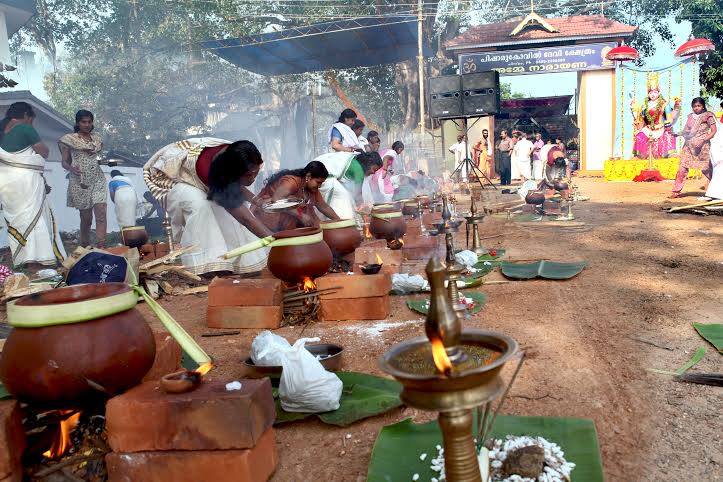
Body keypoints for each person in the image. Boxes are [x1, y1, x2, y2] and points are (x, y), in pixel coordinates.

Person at [144, 138, 271, 275]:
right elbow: (246, 219)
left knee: (230, 209)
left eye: (256, 172)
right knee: (201, 206)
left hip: (213, 173)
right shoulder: (212, 171)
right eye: (249, 175)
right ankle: (206, 265)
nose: (253, 179)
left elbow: (236, 184)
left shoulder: (239, 155)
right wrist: (274, 239)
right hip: (168, 174)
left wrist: (256, 200)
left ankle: (238, 262)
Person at [0, 102, 65, 268]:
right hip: (26, 182)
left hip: (6, 184)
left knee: (19, 221)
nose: (31, 123)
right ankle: (39, 260)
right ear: (27, 116)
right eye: (32, 120)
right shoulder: (24, 128)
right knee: (35, 219)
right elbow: (44, 151)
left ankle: (24, 260)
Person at [60, 110, 108, 248]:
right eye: (83, 122)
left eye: (89, 122)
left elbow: (98, 154)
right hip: (79, 181)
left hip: (97, 178)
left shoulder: (97, 139)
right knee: (86, 218)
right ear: (77, 123)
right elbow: (64, 162)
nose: (87, 125)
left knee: (101, 211)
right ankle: (85, 245)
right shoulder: (69, 139)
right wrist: (71, 169)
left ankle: (101, 245)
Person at [252, 161, 340, 232]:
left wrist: (339, 221)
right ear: (308, 177)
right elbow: (277, 200)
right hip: (266, 216)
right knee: (295, 203)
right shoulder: (292, 182)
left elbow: (323, 206)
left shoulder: (312, 189)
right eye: (318, 182)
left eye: (322, 183)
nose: (320, 186)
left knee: (315, 223)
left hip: (286, 219)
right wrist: (301, 215)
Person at [315, 150, 382, 222]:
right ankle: (341, 224)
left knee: (345, 199)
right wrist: (362, 207)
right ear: (369, 163)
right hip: (322, 176)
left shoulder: (355, 161)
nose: (373, 173)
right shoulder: (358, 170)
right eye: (374, 169)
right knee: (343, 200)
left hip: (319, 172)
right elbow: (358, 195)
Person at [670, 98, 717, 198]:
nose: (696, 108)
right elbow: (686, 130)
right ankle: (676, 191)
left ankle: (717, 189)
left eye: (698, 106)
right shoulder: (690, 117)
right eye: (694, 106)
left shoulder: (708, 116)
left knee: (706, 169)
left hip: (703, 147)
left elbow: (713, 131)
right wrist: (678, 134)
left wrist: (703, 140)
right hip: (689, 146)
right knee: (682, 168)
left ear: (703, 106)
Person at [631, 72, 680, 159]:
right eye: (650, 92)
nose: (653, 94)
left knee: (669, 134)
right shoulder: (644, 105)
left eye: (655, 92)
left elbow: (669, 119)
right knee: (640, 136)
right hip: (648, 129)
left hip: (660, 128)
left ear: (659, 92)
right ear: (648, 93)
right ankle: (639, 156)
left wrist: (668, 123)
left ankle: (670, 154)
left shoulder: (664, 104)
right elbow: (642, 120)